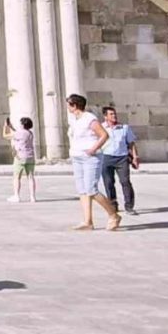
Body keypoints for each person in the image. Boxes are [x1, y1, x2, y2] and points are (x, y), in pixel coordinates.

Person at [66, 94, 122, 231]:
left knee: (91, 189)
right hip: (77, 156)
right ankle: (87, 221)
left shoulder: (89, 118)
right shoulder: (74, 119)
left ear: (74, 105)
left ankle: (113, 215)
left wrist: (93, 149)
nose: (67, 107)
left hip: (90, 157)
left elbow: (104, 135)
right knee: (83, 190)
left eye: (68, 104)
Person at [101, 106, 140, 215]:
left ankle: (129, 206)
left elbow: (131, 143)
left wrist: (135, 157)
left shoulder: (124, 128)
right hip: (106, 157)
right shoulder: (101, 128)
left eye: (114, 114)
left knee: (125, 182)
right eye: (111, 114)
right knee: (108, 183)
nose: (114, 116)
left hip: (122, 158)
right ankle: (113, 205)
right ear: (105, 116)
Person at [2, 117, 37, 203]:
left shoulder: (20, 133)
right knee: (30, 177)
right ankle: (33, 197)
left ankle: (16, 196)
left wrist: (5, 127)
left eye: (21, 123)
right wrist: (11, 127)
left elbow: (5, 136)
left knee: (17, 177)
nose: (20, 124)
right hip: (30, 157)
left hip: (20, 157)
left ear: (23, 124)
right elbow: (18, 133)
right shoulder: (30, 133)